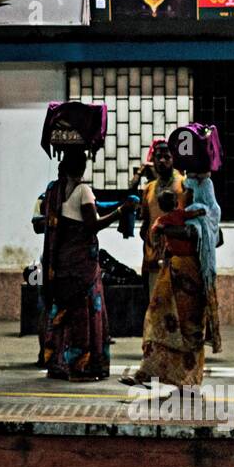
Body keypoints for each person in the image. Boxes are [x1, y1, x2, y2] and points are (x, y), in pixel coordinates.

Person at [38, 148, 132, 381]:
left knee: (62, 312)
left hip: (60, 263)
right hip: (82, 265)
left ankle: (57, 362)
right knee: (84, 312)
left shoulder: (53, 191)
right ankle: (83, 366)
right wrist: (121, 211)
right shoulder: (83, 190)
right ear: (82, 167)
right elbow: (92, 224)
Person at [123, 174, 222, 387]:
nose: (183, 192)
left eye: (187, 190)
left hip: (191, 278)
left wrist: (164, 226)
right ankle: (149, 373)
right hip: (172, 273)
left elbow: (200, 235)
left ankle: (188, 381)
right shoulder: (187, 214)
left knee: (189, 331)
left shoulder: (205, 215)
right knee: (159, 324)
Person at [129, 139, 185, 295]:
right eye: (158, 157)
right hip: (154, 261)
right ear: (152, 160)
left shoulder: (184, 186)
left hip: (178, 260)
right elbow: (145, 224)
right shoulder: (149, 189)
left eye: (166, 157)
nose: (162, 161)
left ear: (174, 159)